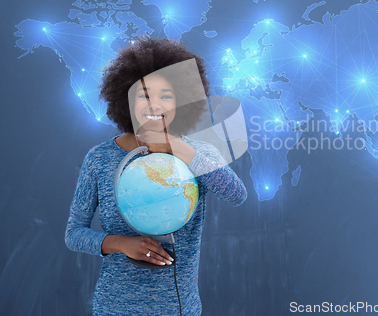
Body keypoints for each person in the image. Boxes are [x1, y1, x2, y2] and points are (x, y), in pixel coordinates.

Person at [65, 36, 247, 316]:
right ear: (126, 98)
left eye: (166, 95)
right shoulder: (99, 158)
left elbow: (237, 194)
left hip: (180, 309)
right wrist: (121, 243)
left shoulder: (197, 154)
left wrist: (179, 149)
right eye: (145, 95)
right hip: (115, 308)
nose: (154, 105)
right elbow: (74, 233)